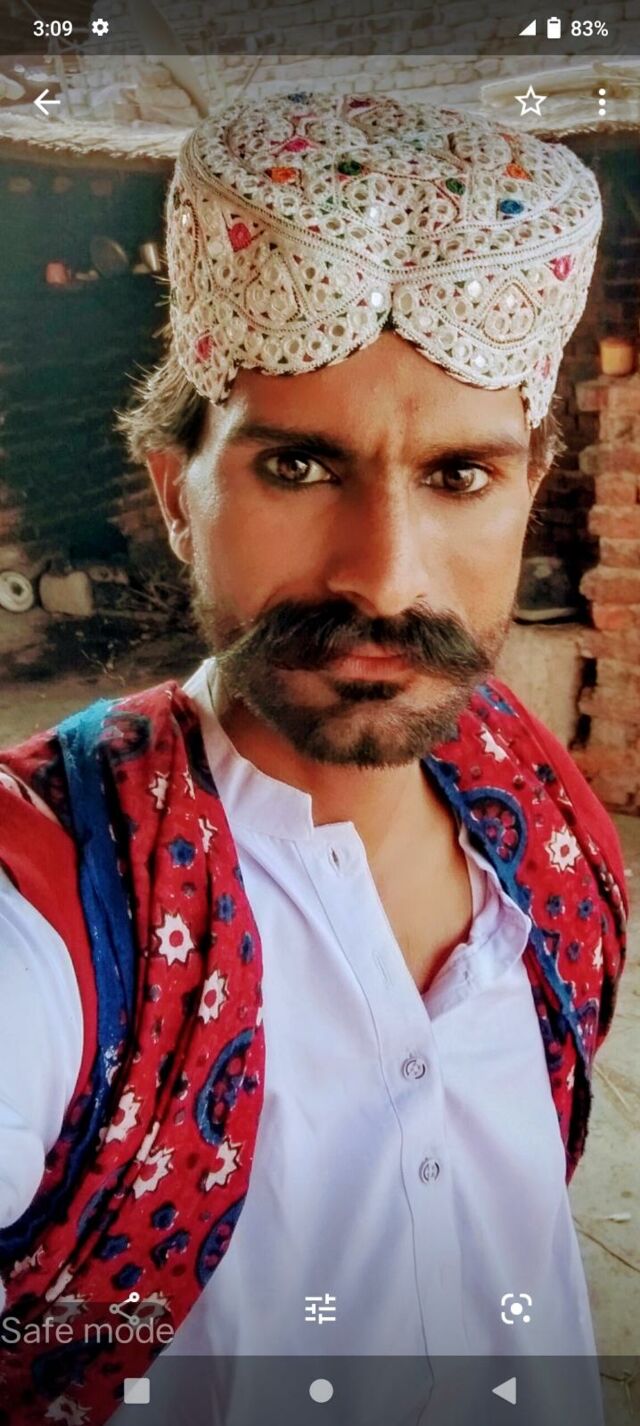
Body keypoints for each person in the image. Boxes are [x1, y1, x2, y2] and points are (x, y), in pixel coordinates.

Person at [0, 93, 627, 1426]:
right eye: (297, 465)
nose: (384, 579)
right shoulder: (53, 910)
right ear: (177, 493)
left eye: (459, 476)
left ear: (531, 486)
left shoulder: (541, 820)